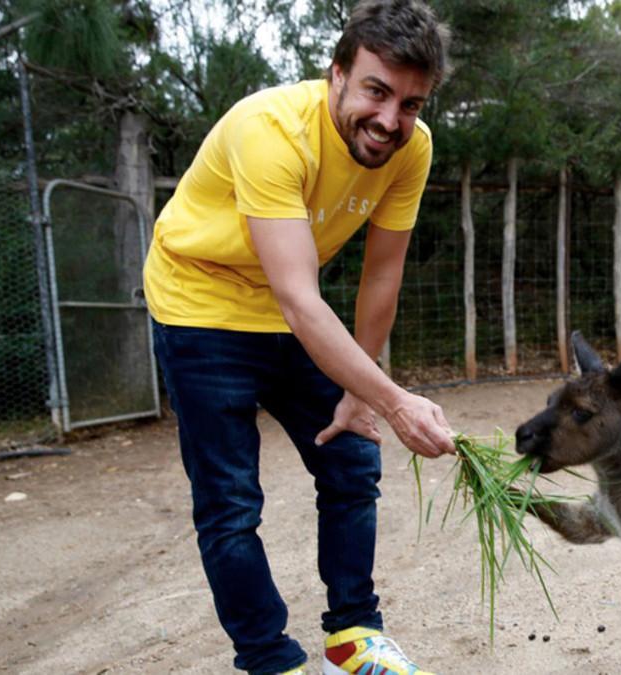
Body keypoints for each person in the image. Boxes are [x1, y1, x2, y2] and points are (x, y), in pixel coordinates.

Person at [142, 2, 454, 673]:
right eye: (376, 90)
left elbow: (381, 276)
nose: (390, 120)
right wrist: (395, 400)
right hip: (202, 302)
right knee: (230, 499)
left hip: (290, 307)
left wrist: (359, 388)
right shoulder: (271, 129)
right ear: (336, 74)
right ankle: (267, 656)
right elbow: (300, 298)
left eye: (411, 103)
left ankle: (354, 632)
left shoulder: (412, 149)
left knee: (351, 458)